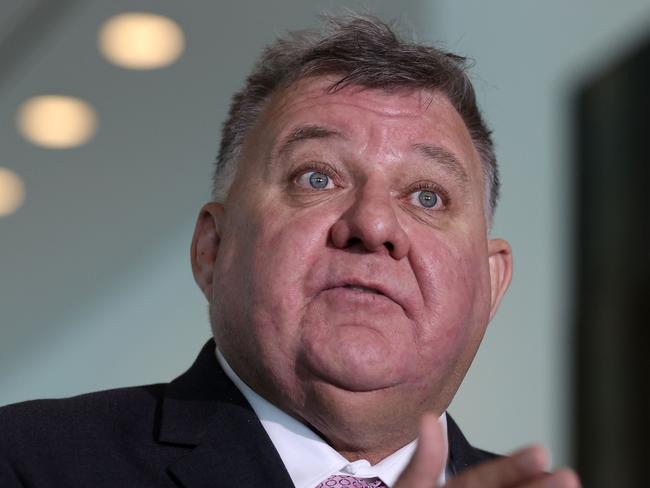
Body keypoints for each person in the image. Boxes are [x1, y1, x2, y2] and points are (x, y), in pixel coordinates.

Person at [0, 15, 580, 488]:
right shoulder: (26, 461)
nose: (374, 224)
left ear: (491, 282)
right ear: (213, 249)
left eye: (427, 196)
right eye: (317, 178)